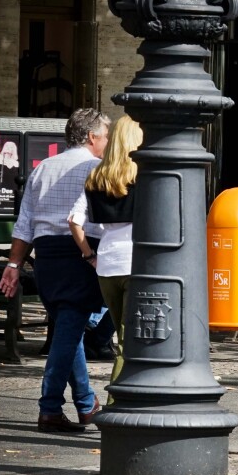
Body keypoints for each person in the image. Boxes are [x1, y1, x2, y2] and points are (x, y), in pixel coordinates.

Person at [0, 109, 110, 433]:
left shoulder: (42, 168)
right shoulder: (97, 169)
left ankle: (87, 404)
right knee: (71, 328)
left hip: (46, 258)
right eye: (105, 135)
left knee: (67, 330)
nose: (107, 141)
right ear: (92, 137)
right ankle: (49, 408)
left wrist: (14, 265)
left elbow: (25, 224)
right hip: (82, 254)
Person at [68, 115, 142, 392]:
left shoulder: (98, 175)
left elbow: (74, 220)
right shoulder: (142, 175)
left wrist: (89, 255)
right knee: (129, 341)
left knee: (123, 337)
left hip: (108, 264)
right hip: (138, 263)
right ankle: (117, 402)